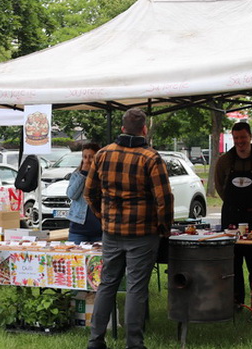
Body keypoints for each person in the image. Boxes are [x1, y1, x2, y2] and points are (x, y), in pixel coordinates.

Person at [86, 108, 173, 349]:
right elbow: (164, 199)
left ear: (122, 128)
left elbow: (89, 192)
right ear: (144, 129)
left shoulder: (102, 154)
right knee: (136, 288)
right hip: (143, 234)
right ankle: (134, 344)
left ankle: (95, 341)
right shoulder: (151, 157)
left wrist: (103, 217)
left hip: (112, 232)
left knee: (107, 284)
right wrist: (164, 227)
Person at [213, 122, 252, 306]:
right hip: (232, 217)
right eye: (236, 138)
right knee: (233, 262)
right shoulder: (224, 161)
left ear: (250, 137)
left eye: (243, 137)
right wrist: (233, 204)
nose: (240, 142)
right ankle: (236, 302)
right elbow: (219, 186)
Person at [66, 142, 103, 244]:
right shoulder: (76, 175)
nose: (87, 160)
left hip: (99, 229)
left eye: (91, 157)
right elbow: (72, 195)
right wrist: (83, 174)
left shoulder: (102, 176)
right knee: (75, 258)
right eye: (84, 157)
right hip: (78, 228)